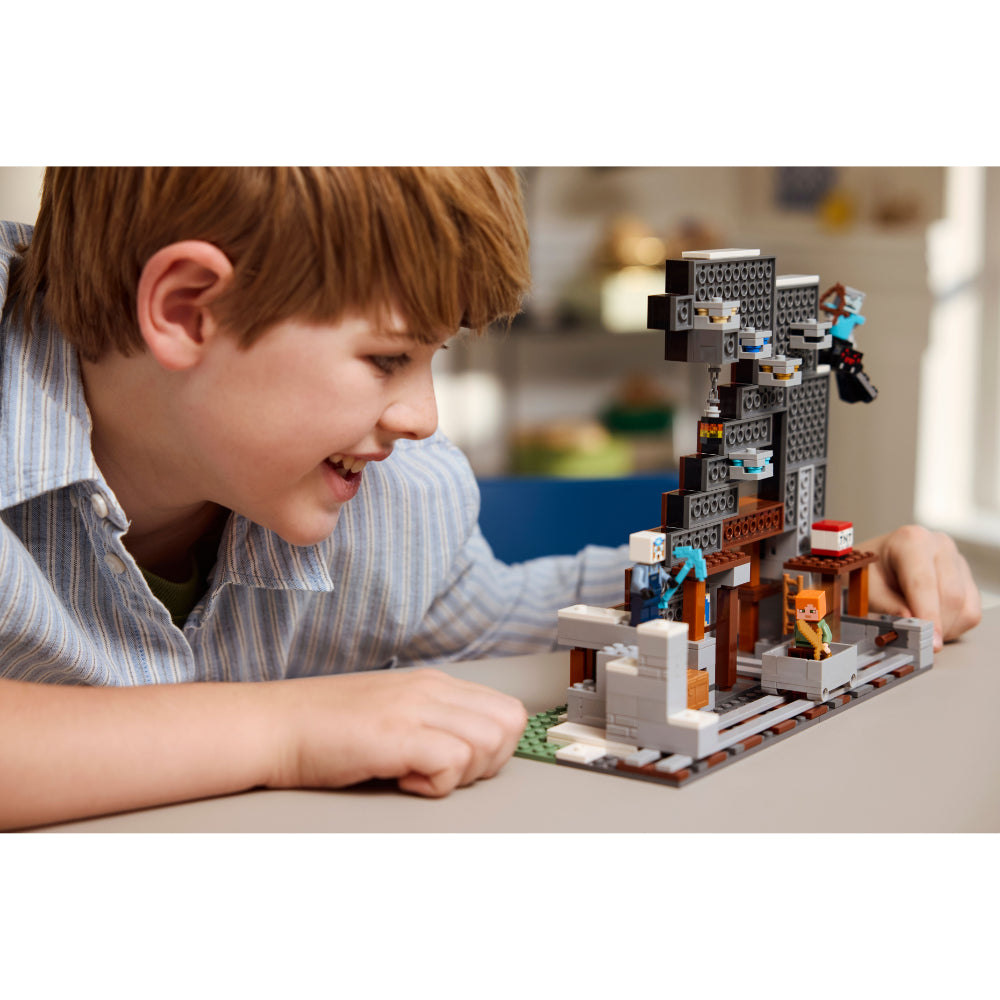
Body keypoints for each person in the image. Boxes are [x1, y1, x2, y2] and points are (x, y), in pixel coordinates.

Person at [0, 168, 982, 831]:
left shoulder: (398, 504)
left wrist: (792, 571)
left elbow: (517, 612)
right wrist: (284, 729)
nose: (423, 416)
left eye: (436, 357)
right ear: (187, 310)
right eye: (387, 357)